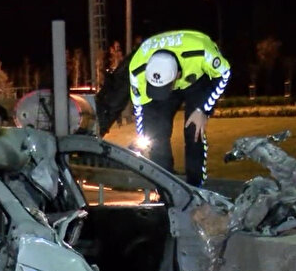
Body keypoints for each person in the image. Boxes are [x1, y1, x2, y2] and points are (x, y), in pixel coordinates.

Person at [97, 30, 231, 187]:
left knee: (194, 130)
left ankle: (196, 188)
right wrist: (143, 137)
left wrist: (203, 109)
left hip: (197, 79)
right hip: (166, 80)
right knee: (155, 134)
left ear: (177, 75)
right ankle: (166, 189)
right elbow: (141, 111)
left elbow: (224, 74)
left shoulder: (201, 51)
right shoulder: (137, 68)